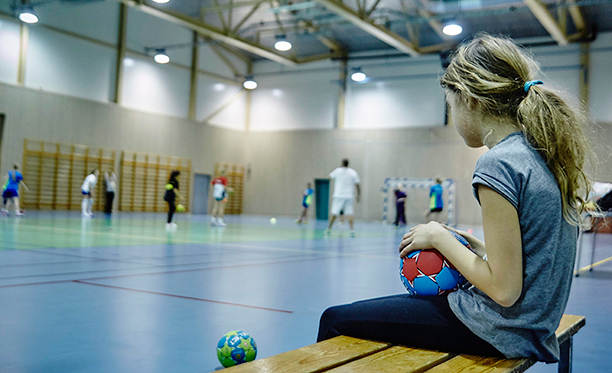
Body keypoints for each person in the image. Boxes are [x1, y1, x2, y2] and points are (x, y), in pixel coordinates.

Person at [317, 34, 593, 363]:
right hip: (530, 326)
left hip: (498, 328)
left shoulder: (499, 163)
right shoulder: (536, 155)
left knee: (335, 319)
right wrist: (470, 246)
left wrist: (437, 236)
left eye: (451, 106)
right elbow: (532, 260)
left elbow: (505, 291)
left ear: (470, 100)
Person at [325, 159, 360, 237]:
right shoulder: (353, 172)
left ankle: (328, 229)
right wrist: (359, 195)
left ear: (342, 163)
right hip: (349, 196)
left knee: (334, 212)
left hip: (338, 195)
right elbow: (358, 184)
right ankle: (352, 231)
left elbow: (329, 177)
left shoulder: (337, 171)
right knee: (350, 213)